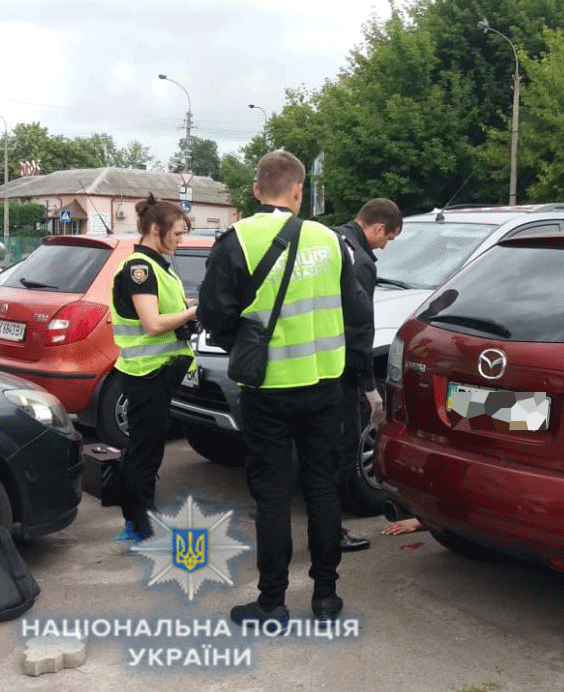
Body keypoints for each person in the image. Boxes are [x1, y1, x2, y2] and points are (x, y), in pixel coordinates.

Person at [198, 150, 372, 626]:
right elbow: (358, 313)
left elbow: (212, 315)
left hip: (267, 388)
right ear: (299, 191)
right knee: (323, 488)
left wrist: (244, 339)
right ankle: (325, 598)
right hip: (324, 387)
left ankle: (272, 600)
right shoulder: (333, 242)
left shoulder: (236, 240)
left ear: (257, 191)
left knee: (272, 495)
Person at [110, 194, 198, 542]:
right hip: (146, 373)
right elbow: (153, 323)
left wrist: (186, 309)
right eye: (176, 233)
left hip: (155, 372)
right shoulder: (140, 268)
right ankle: (139, 526)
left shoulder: (157, 265)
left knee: (146, 449)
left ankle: (138, 519)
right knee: (144, 453)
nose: (180, 239)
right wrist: (194, 312)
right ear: (155, 229)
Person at [333, 198, 403, 551]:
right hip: (342, 371)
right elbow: (360, 328)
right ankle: (332, 532)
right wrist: (368, 386)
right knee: (341, 450)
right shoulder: (359, 262)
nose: (385, 245)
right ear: (377, 228)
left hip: (315, 364)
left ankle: (324, 528)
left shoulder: (332, 241)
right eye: (387, 238)